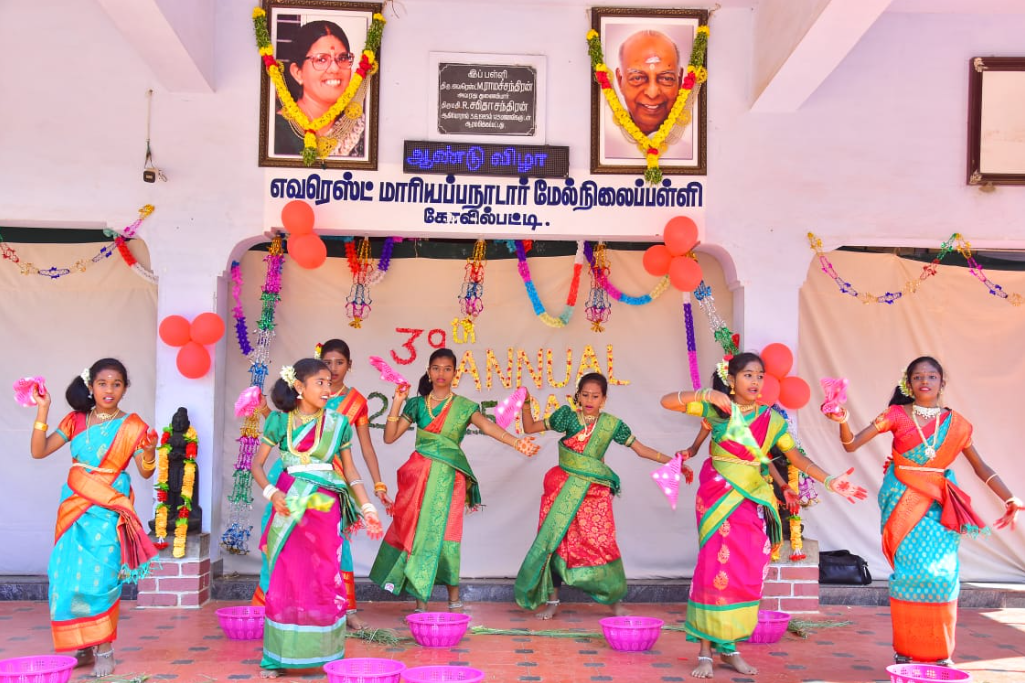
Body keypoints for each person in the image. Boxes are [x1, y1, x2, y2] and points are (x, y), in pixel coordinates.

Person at [661, 353, 867, 679]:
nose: (756, 381)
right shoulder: (717, 411)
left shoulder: (772, 421)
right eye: (748, 375)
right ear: (731, 380)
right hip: (718, 497)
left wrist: (829, 480)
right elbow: (667, 401)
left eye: (760, 376)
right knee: (714, 567)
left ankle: (729, 648)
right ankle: (704, 651)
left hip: (753, 498)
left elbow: (793, 455)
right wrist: (706, 395)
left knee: (747, 570)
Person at [824, 355, 1022, 667]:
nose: (925, 382)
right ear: (909, 383)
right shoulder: (896, 415)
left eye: (931, 376)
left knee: (943, 574)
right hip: (901, 501)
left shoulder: (958, 425)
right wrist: (843, 420)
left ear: (942, 382)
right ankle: (906, 648)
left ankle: (940, 653)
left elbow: (980, 466)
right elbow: (851, 445)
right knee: (909, 574)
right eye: (917, 377)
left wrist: (1010, 498)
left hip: (941, 505)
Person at [369, 348, 539, 612]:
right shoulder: (416, 405)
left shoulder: (464, 407)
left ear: (455, 374)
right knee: (417, 535)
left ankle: (454, 600)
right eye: (436, 368)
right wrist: (397, 401)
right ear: (428, 371)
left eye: (447, 369)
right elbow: (389, 437)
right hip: (417, 481)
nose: (441, 374)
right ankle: (420, 605)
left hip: (449, 480)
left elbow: (487, 426)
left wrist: (517, 443)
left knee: (446, 534)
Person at [514, 372, 689, 620]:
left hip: (594, 494)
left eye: (595, 396)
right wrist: (528, 404)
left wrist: (673, 462)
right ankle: (553, 601)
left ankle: (614, 602)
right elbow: (530, 427)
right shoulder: (567, 418)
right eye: (585, 394)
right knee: (555, 542)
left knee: (601, 544)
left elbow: (640, 450)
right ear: (578, 395)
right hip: (561, 490)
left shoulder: (612, 425)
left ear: (603, 399)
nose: (589, 399)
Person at [251, 358, 384, 678]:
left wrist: (367, 508)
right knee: (285, 577)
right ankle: (277, 657)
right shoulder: (278, 423)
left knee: (325, 577)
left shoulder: (339, 424)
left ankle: (326, 654)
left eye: (329, 382)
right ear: (299, 387)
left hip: (324, 511)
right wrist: (271, 493)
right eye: (320, 383)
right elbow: (257, 465)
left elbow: (350, 470)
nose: (327, 389)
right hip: (288, 505)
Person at [29, 358, 159, 678]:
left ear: (125, 388)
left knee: (100, 581)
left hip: (109, 510)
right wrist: (43, 409)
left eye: (117, 384)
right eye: (103, 384)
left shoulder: (133, 426)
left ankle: (105, 650)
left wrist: (151, 449)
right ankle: (84, 645)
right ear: (91, 386)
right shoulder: (75, 420)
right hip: (74, 508)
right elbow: (39, 451)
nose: (109, 390)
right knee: (67, 576)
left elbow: (145, 471)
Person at [273, 20, 366, 158]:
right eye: (321, 60)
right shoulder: (276, 131)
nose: (335, 68)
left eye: (342, 58)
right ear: (298, 73)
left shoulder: (360, 127)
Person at [603, 29, 694, 161]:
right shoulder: (607, 141)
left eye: (666, 78)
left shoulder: (686, 150)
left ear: (680, 81)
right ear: (619, 80)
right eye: (638, 78)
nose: (652, 93)